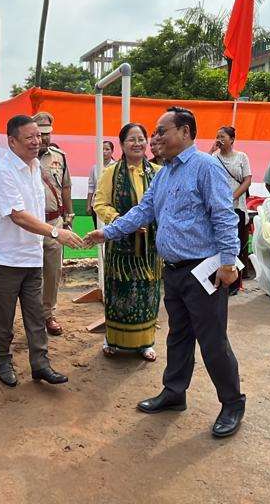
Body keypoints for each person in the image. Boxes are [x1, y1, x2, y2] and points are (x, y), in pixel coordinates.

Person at [85, 106, 245, 439]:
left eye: (162, 131)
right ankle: (174, 393)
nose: (155, 137)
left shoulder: (206, 167)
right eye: (155, 132)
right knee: (178, 336)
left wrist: (229, 263)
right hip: (172, 271)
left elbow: (225, 215)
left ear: (185, 132)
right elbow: (143, 211)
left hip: (204, 271)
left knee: (213, 342)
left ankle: (232, 403)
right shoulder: (165, 172)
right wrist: (109, 231)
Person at [0, 114, 85, 387]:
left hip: (31, 256)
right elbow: (18, 215)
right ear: (13, 141)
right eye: (29, 137)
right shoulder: (2, 173)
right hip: (5, 258)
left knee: (36, 315)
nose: (35, 141)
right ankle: (3, 360)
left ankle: (40, 364)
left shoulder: (35, 167)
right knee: (3, 317)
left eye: (37, 136)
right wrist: (55, 232)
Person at [92, 123, 162, 362]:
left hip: (150, 247)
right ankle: (112, 340)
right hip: (121, 246)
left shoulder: (157, 171)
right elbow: (99, 203)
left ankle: (145, 342)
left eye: (141, 138)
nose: (137, 143)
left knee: (148, 293)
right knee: (119, 292)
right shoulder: (111, 172)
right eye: (131, 139)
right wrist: (122, 221)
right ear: (121, 144)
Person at [33, 111, 72, 336]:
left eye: (48, 133)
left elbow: (65, 188)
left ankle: (48, 314)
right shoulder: (21, 157)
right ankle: (32, 316)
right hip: (29, 226)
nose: (44, 138)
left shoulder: (59, 157)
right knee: (30, 274)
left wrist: (68, 217)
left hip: (53, 222)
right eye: (39, 133)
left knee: (52, 272)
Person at [212, 126, 253, 292]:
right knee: (219, 245)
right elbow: (203, 171)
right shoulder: (213, 157)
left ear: (232, 139)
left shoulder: (242, 157)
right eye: (217, 136)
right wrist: (211, 150)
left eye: (222, 136)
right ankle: (220, 281)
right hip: (218, 207)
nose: (219, 139)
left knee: (235, 245)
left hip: (236, 207)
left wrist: (232, 197)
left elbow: (247, 180)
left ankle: (235, 284)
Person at [87, 140, 115, 229]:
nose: (104, 152)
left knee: (110, 231)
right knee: (98, 230)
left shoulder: (116, 166)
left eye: (107, 149)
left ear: (112, 151)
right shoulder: (94, 168)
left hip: (111, 204)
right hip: (96, 204)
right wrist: (88, 205)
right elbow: (91, 187)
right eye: (102, 149)